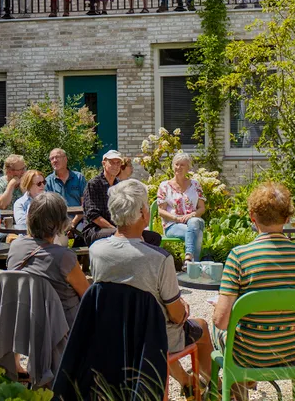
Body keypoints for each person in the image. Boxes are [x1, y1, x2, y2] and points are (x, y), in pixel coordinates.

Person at [91, 179, 213, 397]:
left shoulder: (96, 250)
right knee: (201, 326)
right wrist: (183, 308)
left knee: (154, 322)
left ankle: (187, 381)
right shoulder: (158, 259)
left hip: (114, 335)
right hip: (154, 339)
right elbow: (175, 317)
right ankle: (206, 389)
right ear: (143, 213)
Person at [212, 182, 295, 398]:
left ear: (252, 217)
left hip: (249, 356)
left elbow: (221, 321)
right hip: (293, 354)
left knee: (217, 328)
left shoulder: (239, 256)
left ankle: (234, 391)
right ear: (287, 218)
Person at [6, 192, 89, 325]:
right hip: (61, 329)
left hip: (25, 324)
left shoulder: (15, 247)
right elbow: (86, 294)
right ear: (62, 222)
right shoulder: (64, 257)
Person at [81, 150, 162, 246]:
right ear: (104, 164)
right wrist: (115, 230)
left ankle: (138, 260)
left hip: (119, 229)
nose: (115, 166)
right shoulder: (93, 184)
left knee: (154, 237)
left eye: (118, 163)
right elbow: (92, 215)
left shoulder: (120, 184)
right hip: (96, 230)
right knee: (126, 238)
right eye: (112, 162)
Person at [156, 151, 206, 266]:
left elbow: (202, 208)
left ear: (188, 167)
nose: (178, 167)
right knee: (196, 232)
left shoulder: (195, 185)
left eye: (182, 165)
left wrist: (190, 215)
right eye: (176, 164)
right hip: (172, 225)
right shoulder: (165, 186)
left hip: (193, 221)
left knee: (194, 222)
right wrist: (176, 219)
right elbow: (161, 211)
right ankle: (193, 264)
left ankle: (189, 259)